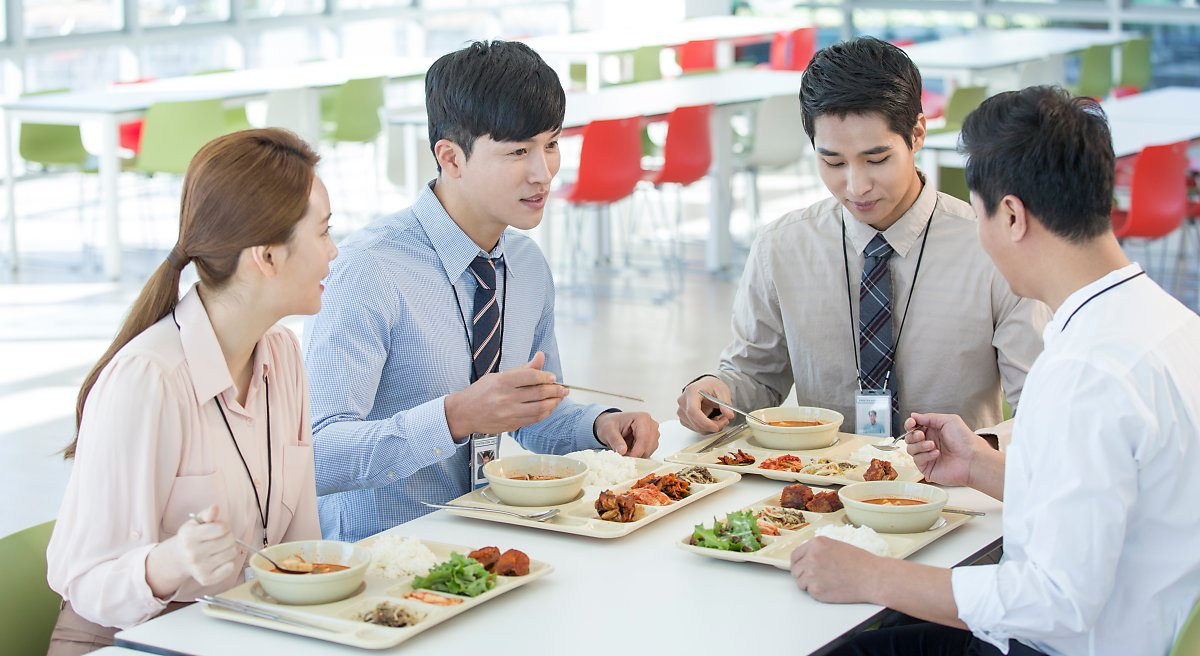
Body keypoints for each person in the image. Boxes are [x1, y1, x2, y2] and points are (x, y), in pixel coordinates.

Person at [790, 86, 1200, 656]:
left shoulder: (1085, 371)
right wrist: (984, 468)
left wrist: (870, 576)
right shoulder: (1168, 323)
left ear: (1010, 215)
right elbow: (1113, 507)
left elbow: (1055, 601)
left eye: (978, 211)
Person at [305, 40, 659, 541]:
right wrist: (454, 417)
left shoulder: (526, 264)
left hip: (489, 547)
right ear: (450, 158)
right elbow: (315, 454)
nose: (544, 173)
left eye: (551, 144)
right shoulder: (369, 270)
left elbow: (532, 415)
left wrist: (601, 425)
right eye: (517, 152)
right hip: (379, 560)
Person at [46, 128, 337, 654]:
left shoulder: (284, 357)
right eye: (323, 233)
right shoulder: (149, 379)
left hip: (237, 630)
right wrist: (172, 563)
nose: (334, 253)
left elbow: (299, 548)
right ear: (266, 257)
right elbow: (86, 582)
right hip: (128, 640)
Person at [677, 37, 1047, 439]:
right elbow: (755, 378)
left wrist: (978, 455)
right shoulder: (781, 247)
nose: (856, 186)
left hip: (953, 493)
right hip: (819, 490)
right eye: (832, 161)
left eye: (877, 160)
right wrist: (717, 392)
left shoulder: (990, 248)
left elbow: (1041, 405)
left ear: (917, 133)